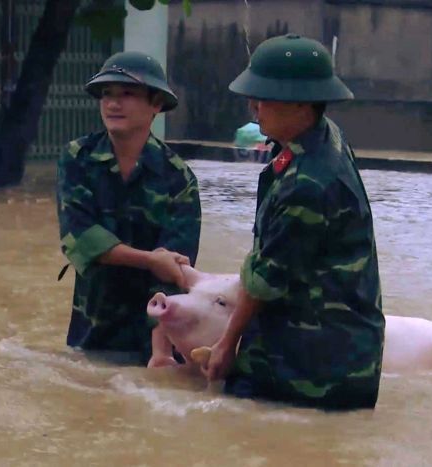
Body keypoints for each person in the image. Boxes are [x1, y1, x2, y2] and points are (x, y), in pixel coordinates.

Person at [202, 34, 385, 410]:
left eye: (264, 96)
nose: (253, 106)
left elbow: (264, 281)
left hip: (309, 370)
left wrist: (225, 344)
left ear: (302, 102)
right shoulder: (322, 136)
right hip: (335, 352)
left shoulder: (309, 185)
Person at [56, 51, 201, 364]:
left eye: (127, 94)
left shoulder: (178, 177)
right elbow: (80, 239)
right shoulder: (78, 158)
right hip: (91, 331)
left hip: (152, 337)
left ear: (156, 104)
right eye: (106, 94)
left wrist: (161, 352)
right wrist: (149, 260)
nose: (112, 103)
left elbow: (175, 268)